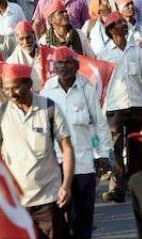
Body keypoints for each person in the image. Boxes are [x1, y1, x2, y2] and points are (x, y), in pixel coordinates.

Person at [0, 63, 74, 239]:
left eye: (16, 88)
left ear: (29, 84)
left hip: (48, 200)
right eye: (7, 89)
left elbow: (67, 148)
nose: (11, 94)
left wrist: (66, 186)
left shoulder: (49, 108)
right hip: (15, 204)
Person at [41, 48, 112, 239]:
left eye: (68, 63)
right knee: (61, 219)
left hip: (84, 163)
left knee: (83, 218)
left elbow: (99, 122)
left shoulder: (86, 88)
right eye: (60, 63)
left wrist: (104, 154)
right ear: (54, 66)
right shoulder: (47, 91)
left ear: (76, 66)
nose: (64, 67)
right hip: (56, 165)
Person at [98, 11, 142, 204]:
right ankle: (119, 189)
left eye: (123, 21)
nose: (124, 24)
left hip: (137, 105)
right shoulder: (104, 53)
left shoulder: (136, 50)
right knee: (117, 150)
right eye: (118, 23)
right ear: (111, 30)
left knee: (137, 150)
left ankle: (137, 188)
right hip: (114, 107)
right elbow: (99, 83)